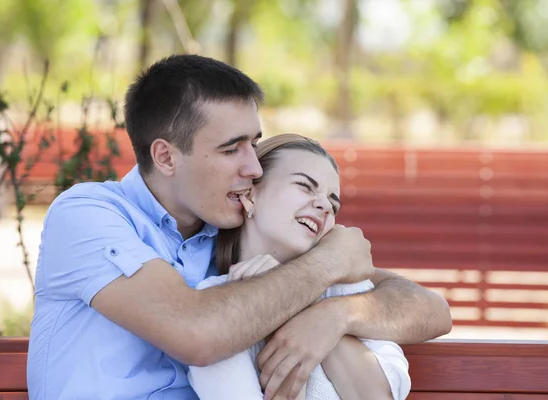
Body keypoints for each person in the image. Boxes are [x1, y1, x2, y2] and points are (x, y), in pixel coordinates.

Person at [27, 54, 452, 400]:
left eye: (254, 142)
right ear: (166, 157)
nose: (253, 167)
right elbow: (197, 333)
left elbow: (428, 309)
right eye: (232, 149)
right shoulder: (88, 215)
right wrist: (328, 264)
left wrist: (336, 314)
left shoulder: (235, 239)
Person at [188, 133, 411, 400]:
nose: (325, 205)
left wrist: (311, 315)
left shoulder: (343, 289)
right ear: (248, 195)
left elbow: (379, 397)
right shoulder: (216, 307)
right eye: (305, 186)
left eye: (333, 203)